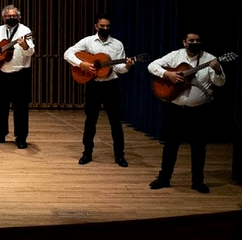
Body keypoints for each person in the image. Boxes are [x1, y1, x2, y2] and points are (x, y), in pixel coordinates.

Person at [148, 32, 225, 193]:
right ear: (185, 42)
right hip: (176, 109)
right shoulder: (175, 56)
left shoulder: (209, 59)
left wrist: (218, 70)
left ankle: (197, 181)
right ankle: (164, 178)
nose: (195, 42)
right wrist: (167, 74)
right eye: (191, 40)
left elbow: (220, 83)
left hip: (199, 111)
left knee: (198, 147)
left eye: (197, 40)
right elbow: (152, 66)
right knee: (170, 145)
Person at [63, 14, 134, 167]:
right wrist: (81, 64)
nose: (105, 29)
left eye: (108, 26)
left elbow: (119, 69)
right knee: (90, 120)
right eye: (102, 26)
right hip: (93, 85)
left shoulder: (117, 44)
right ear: (96, 26)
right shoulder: (88, 42)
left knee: (115, 121)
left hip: (111, 85)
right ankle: (87, 153)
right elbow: (68, 53)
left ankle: (119, 155)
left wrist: (127, 66)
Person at [0, 5, 35, 149]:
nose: (11, 18)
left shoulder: (25, 31)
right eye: (8, 16)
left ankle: (21, 137)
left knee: (21, 108)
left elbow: (30, 52)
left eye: (14, 16)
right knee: (0, 106)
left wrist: (24, 46)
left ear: (19, 17)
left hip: (21, 75)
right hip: (2, 74)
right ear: (3, 17)